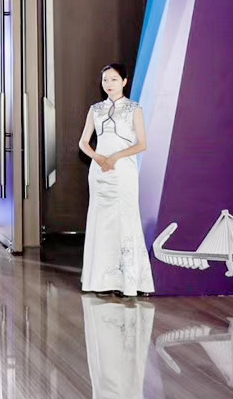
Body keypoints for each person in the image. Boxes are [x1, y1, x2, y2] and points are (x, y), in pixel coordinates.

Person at [78, 63, 155, 296]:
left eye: (113, 79)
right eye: (105, 80)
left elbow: (142, 144)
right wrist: (99, 158)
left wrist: (115, 157)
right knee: (100, 222)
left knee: (125, 220)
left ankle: (129, 282)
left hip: (123, 172)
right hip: (99, 172)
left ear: (124, 81)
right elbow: (83, 142)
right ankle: (101, 281)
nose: (108, 84)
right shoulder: (95, 109)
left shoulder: (134, 109)